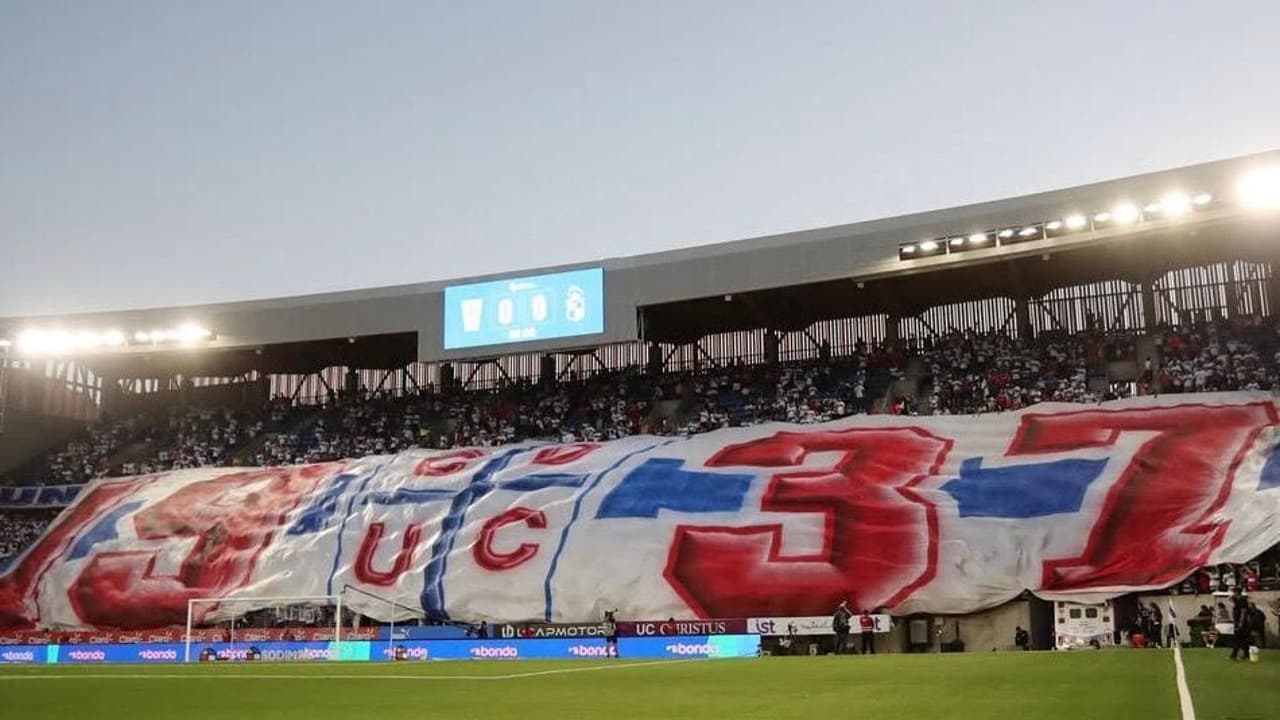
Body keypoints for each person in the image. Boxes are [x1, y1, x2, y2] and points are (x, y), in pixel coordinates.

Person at [1230, 587, 1252, 661]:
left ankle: (1234, 655)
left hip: (1241, 623)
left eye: (1233, 592)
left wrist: (1241, 622)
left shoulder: (1242, 600)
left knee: (1237, 638)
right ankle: (1246, 655)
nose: (1233, 594)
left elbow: (1243, 611)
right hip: (1238, 622)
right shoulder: (1237, 601)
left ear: (1237, 592)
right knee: (1243, 639)